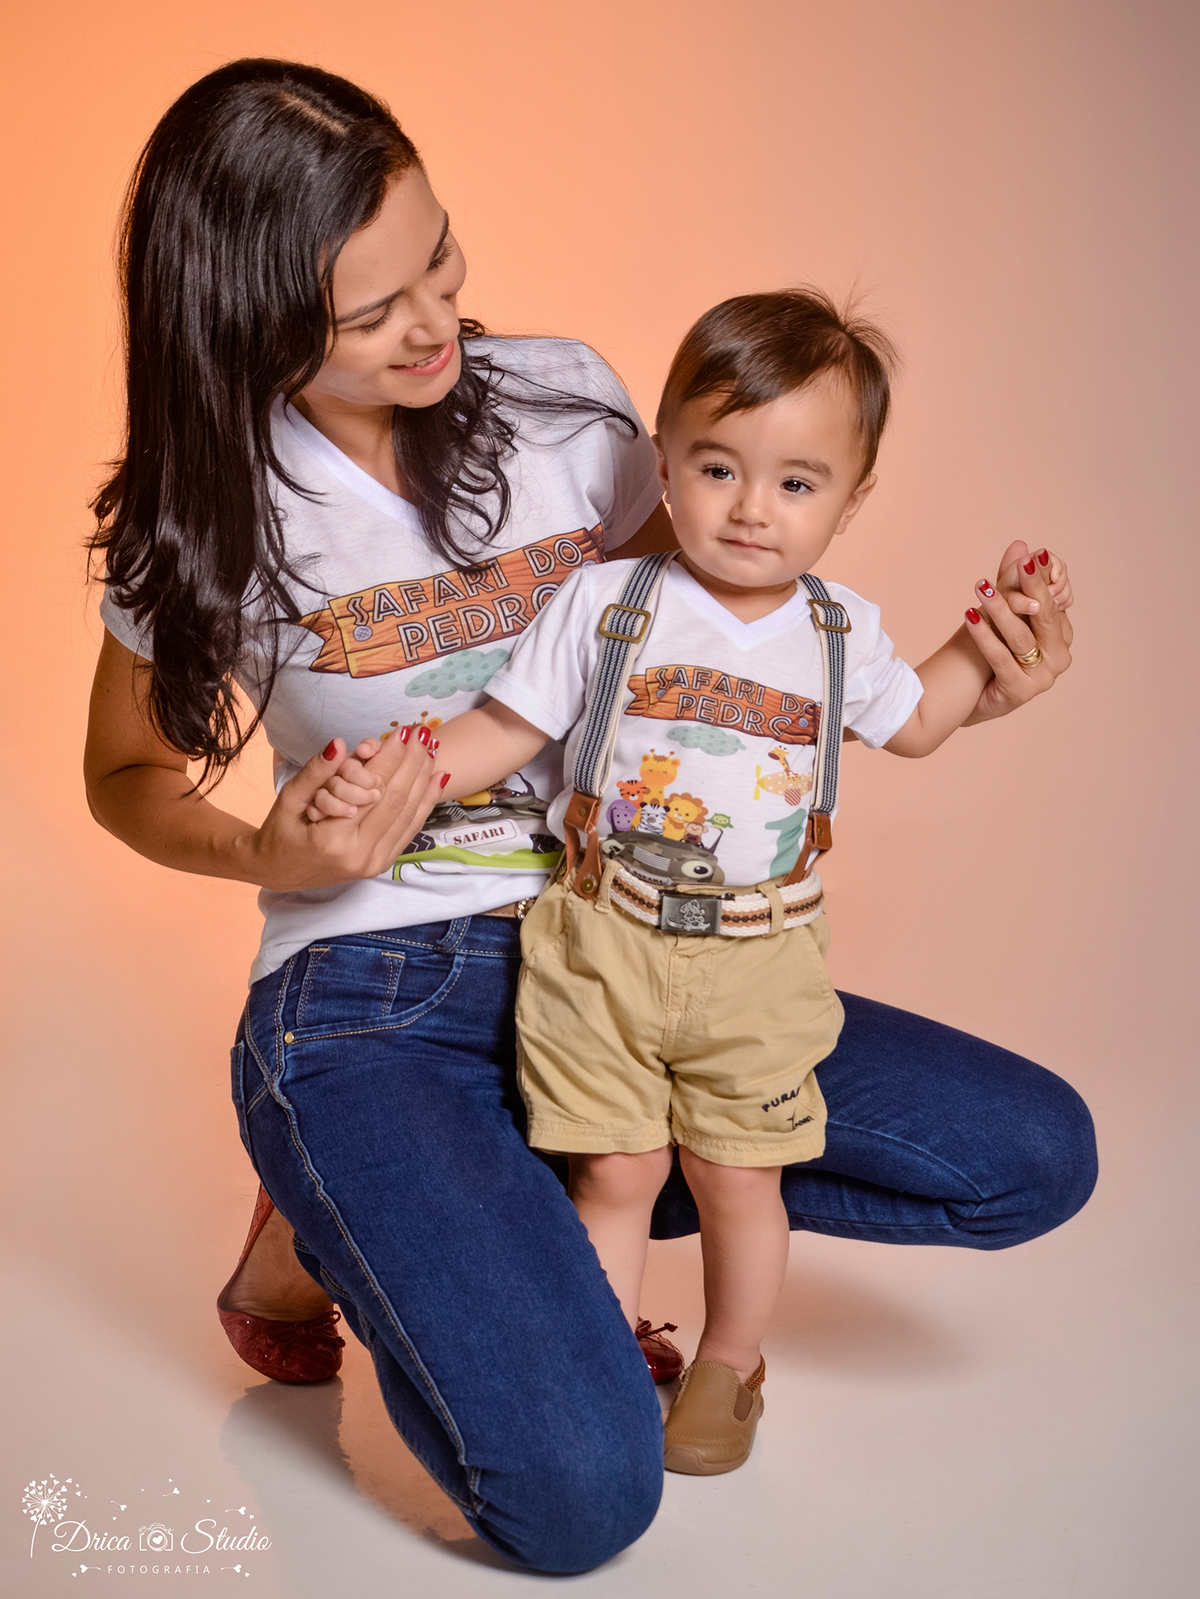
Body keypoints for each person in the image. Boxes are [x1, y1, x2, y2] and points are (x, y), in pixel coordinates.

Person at [82, 56, 1093, 1575]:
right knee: (581, 1494)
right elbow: (125, 776)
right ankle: (369, 1191)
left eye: (438, 257)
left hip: (632, 951)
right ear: (248, 316)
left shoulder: (565, 398)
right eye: (371, 312)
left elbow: (692, 621)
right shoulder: (212, 501)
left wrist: (955, 688)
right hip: (377, 997)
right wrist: (267, 848)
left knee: (1030, 1152)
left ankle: (458, 1201)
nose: (435, 322)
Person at [305, 288, 1080, 1476]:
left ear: (853, 498)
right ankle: (603, 1352)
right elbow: (505, 731)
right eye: (717, 467)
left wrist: (986, 646)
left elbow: (918, 723)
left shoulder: (838, 635)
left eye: (797, 483)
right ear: (661, 460)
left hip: (759, 957)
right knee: (615, 1167)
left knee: (736, 1172)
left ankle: (731, 1358)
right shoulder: (608, 604)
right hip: (603, 943)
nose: (752, 509)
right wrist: (395, 769)